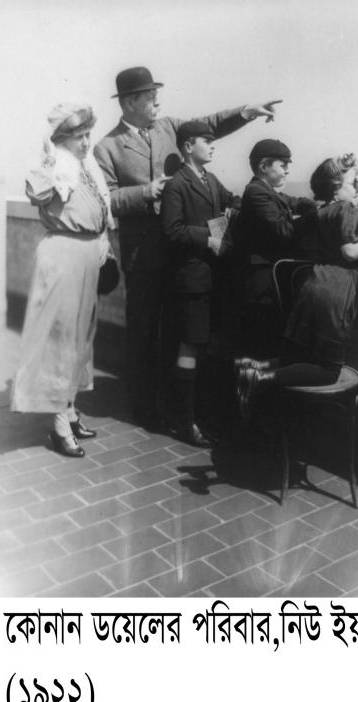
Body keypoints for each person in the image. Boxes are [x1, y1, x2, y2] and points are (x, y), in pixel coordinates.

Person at [94, 66, 282, 429]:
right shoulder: (107, 147)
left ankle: (170, 404)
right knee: (143, 333)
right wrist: (143, 192)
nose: (157, 103)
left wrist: (246, 112)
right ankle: (144, 409)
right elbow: (105, 199)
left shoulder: (168, 127)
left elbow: (207, 125)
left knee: (175, 333)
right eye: (150, 98)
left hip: (177, 256)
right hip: (143, 257)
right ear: (130, 103)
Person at [236, 153, 358, 417]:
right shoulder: (346, 210)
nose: (357, 187)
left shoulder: (324, 211)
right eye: (353, 183)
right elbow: (350, 251)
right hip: (336, 293)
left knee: (298, 357)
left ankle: (255, 366)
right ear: (335, 188)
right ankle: (259, 377)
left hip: (313, 286)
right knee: (328, 370)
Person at [11, 103, 114, 457]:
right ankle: (58, 425)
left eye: (88, 135)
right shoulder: (56, 165)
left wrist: (103, 241)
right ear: (62, 139)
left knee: (81, 340)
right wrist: (50, 158)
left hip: (88, 252)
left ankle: (69, 411)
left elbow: (100, 208)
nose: (86, 142)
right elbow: (36, 194)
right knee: (60, 338)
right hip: (62, 253)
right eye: (78, 137)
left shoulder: (87, 166)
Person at [161, 121, 238, 446]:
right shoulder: (177, 185)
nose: (212, 145)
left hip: (211, 277)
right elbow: (172, 230)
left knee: (202, 344)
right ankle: (185, 420)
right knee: (190, 345)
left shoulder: (211, 179)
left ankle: (195, 413)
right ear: (188, 146)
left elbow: (233, 200)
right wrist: (208, 238)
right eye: (206, 140)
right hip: (191, 278)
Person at [236, 138, 317, 360]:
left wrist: (315, 206)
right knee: (262, 344)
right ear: (264, 166)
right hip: (260, 282)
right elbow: (284, 230)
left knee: (268, 342)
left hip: (268, 278)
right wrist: (317, 217)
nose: (287, 170)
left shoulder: (268, 192)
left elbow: (297, 202)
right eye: (283, 165)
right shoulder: (256, 192)